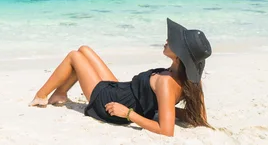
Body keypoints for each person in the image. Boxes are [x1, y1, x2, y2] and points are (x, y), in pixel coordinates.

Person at [29, 18, 212, 137]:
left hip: (111, 103)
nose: (166, 40)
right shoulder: (189, 79)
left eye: (172, 41)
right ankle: (60, 93)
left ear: (179, 55)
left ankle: (41, 95)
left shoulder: (166, 82)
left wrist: (129, 114)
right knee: (84, 49)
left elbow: (166, 130)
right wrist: (165, 110)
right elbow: (198, 116)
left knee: (74, 57)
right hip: (121, 90)